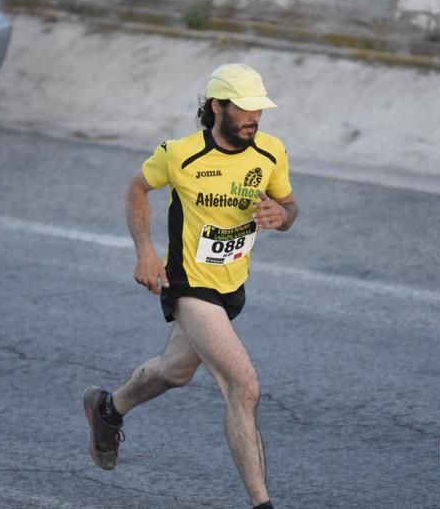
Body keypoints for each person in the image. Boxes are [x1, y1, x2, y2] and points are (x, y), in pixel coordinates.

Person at [83, 63, 298, 509]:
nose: (255, 118)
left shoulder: (271, 153)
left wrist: (282, 216)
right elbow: (137, 190)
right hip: (189, 285)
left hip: (231, 287)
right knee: (244, 386)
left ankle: (108, 409)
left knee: (175, 371)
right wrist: (145, 250)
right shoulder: (180, 154)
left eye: (260, 109)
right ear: (218, 106)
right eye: (246, 109)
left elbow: (289, 204)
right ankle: (262, 504)